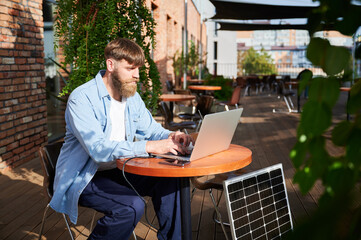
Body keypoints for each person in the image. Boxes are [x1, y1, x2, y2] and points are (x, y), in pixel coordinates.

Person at [50, 38, 193, 240]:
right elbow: (98, 150)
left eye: (138, 69)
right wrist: (152, 146)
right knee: (132, 206)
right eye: (130, 68)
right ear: (110, 65)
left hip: (119, 169)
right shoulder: (82, 98)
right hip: (84, 176)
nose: (137, 75)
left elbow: (151, 129)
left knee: (171, 179)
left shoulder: (131, 96)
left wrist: (172, 136)